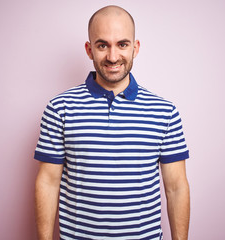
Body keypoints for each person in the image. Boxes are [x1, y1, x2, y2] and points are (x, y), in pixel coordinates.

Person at [34, 5, 190, 240]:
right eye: (102, 45)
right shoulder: (60, 108)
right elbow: (47, 183)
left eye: (122, 44)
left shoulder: (165, 112)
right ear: (89, 49)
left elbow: (176, 188)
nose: (113, 56)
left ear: (135, 48)